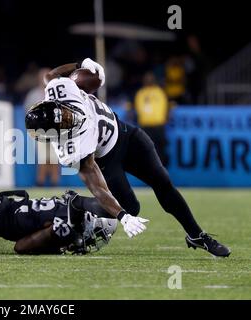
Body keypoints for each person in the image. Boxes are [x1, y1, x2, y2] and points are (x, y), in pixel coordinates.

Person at [25, 58, 231, 257]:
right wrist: (122, 217)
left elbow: (52, 75)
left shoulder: (60, 89)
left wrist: (80, 65)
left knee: (163, 182)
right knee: (130, 207)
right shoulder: (69, 149)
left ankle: (196, 235)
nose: (70, 117)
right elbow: (97, 186)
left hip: (126, 134)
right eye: (64, 123)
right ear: (55, 134)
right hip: (107, 159)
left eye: (65, 113)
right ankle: (78, 204)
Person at [24, 68, 60, 186]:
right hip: (40, 130)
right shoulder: (33, 94)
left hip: (55, 130)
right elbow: (28, 112)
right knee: (43, 157)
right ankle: (40, 181)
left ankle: (55, 182)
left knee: (55, 157)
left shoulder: (57, 92)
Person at [133, 72, 172, 167]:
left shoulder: (159, 91)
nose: (148, 80)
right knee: (147, 151)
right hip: (146, 126)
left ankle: (163, 175)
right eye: (147, 78)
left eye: (150, 78)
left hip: (158, 126)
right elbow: (137, 109)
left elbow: (166, 106)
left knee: (160, 151)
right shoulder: (140, 93)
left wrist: (166, 117)